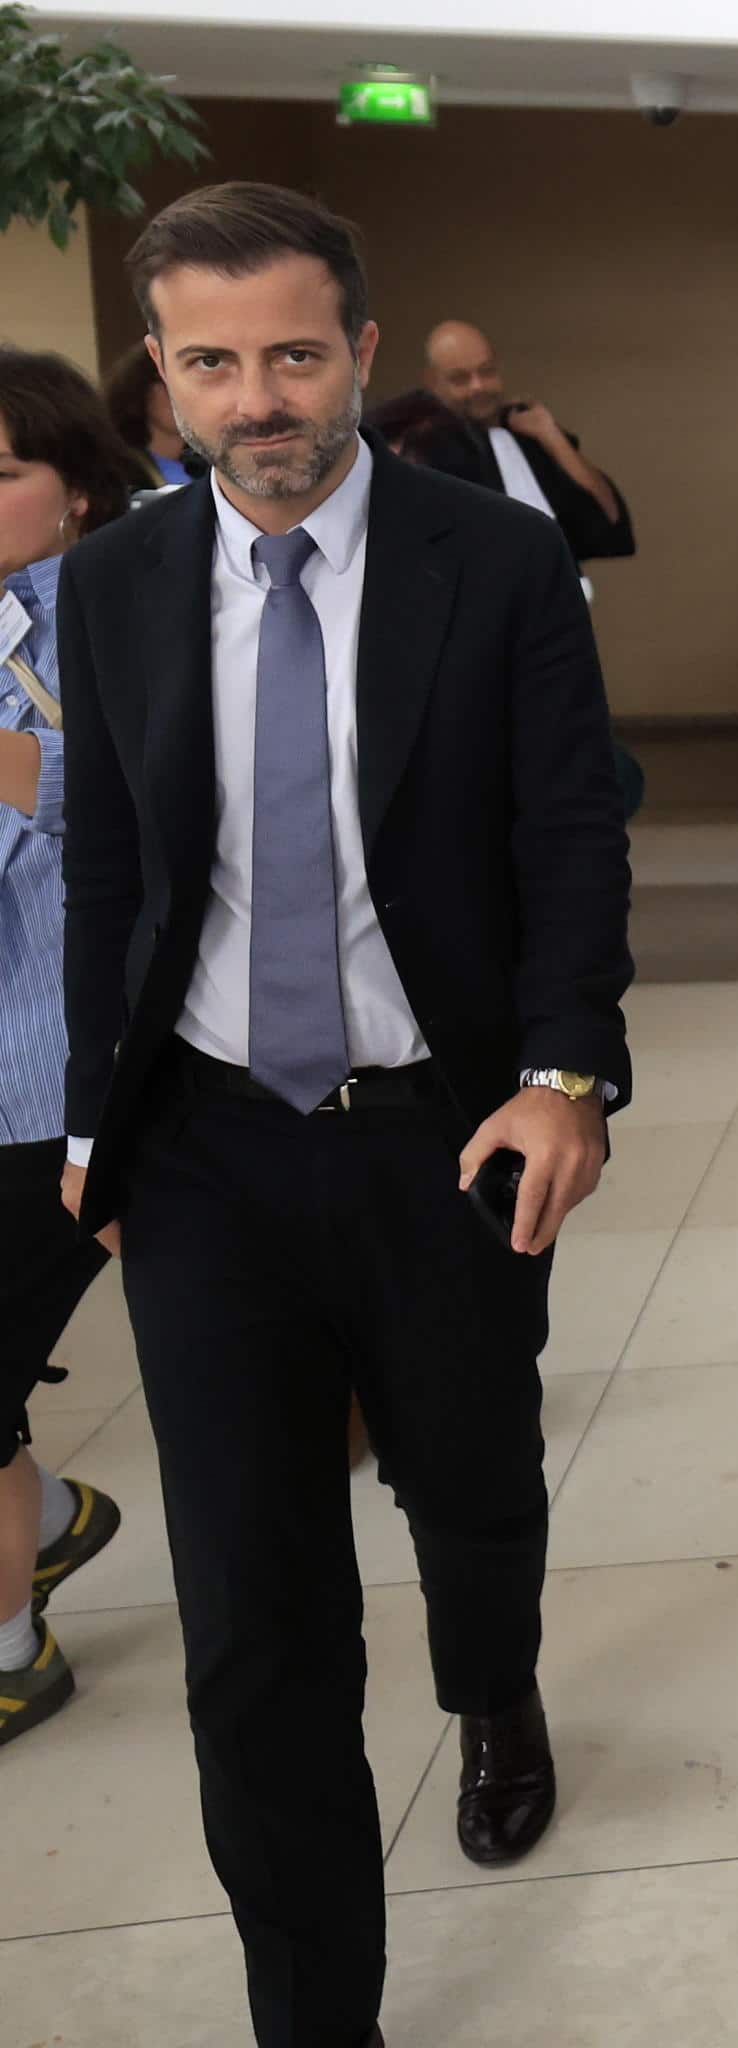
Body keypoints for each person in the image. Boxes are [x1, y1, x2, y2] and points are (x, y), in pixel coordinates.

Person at [57, 181, 635, 2048]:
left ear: (362, 351)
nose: (258, 400)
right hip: (213, 1142)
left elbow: (566, 831)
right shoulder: (120, 580)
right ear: (160, 373)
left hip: (443, 1124)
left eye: (293, 355)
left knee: (471, 1479)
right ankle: (321, 2014)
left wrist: (563, 1075)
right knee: (253, 1608)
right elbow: (105, 870)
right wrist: (99, 1120)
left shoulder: (494, 560)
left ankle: (497, 1682)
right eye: (211, 364)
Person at [0, 349, 138, 1750]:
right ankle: (41, 1525)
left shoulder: (97, 628)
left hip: (47, 1082)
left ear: (80, 495)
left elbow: (92, 813)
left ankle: (10, 1649)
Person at [397, 320, 636, 568]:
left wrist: (551, 435)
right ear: (432, 382)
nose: (478, 386)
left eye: (487, 371)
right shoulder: (420, 453)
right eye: (460, 379)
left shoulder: (530, 437)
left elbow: (610, 521)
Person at [100, 342, 192, 490]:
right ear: (138, 389)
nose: (182, 395)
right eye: (167, 382)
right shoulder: (116, 472)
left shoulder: (211, 469)